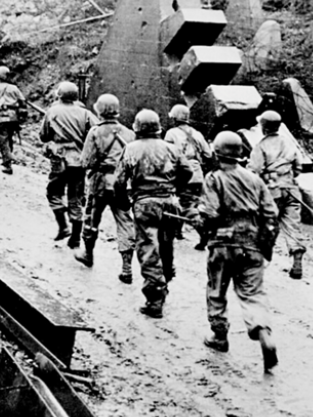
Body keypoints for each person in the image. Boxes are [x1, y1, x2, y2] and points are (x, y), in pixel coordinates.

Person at [197, 131, 279, 372]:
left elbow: (210, 213)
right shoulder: (255, 179)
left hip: (223, 244)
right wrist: (266, 244)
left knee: (217, 289)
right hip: (252, 245)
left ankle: (219, 336)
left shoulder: (214, 178)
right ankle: (263, 331)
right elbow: (271, 213)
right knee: (253, 293)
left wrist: (200, 224)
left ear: (217, 153)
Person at [114, 109, 193, 319]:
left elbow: (119, 181)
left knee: (148, 248)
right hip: (170, 202)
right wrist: (173, 187)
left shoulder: (130, 149)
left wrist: (123, 201)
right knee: (166, 244)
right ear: (158, 128)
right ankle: (165, 278)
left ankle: (154, 299)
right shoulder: (171, 149)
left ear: (137, 128)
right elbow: (188, 172)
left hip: (145, 203)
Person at [75, 93, 136, 283]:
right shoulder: (129, 133)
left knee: (91, 218)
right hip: (121, 182)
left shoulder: (95, 132)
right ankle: (126, 267)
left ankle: (88, 254)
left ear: (99, 110)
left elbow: (86, 161)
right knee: (125, 222)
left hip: (99, 182)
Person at [248, 110, 306, 279]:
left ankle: (258, 264)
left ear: (263, 127)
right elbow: (298, 168)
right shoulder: (289, 143)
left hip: (272, 192)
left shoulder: (261, 146)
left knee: (266, 226)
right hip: (291, 189)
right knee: (291, 225)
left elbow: (254, 171)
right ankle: (296, 258)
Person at [40, 81, 98, 249]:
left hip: (60, 159)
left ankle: (63, 226)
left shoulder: (52, 111)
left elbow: (44, 136)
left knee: (54, 193)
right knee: (76, 198)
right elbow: (96, 133)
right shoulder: (85, 113)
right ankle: (76, 238)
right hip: (79, 161)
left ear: (60, 95)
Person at [164, 104, 214, 249]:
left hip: (182, 174)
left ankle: (204, 232)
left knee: (185, 205)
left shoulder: (171, 133)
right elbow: (208, 154)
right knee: (191, 203)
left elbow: (167, 155)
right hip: (198, 175)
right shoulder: (197, 133)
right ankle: (178, 232)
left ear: (174, 118)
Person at [0, 65, 27, 174]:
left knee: (3, 140)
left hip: (1, 117)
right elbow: (23, 102)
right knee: (9, 139)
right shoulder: (14, 88)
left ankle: (8, 163)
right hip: (13, 117)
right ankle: (8, 160)